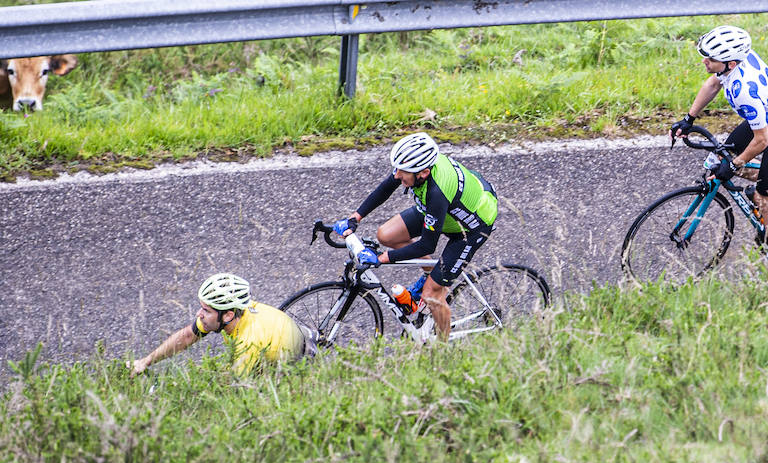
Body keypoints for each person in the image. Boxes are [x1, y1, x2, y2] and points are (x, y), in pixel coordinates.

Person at [333, 131, 498, 342]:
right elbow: (386, 187)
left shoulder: (436, 192)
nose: (398, 175)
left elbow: (426, 246)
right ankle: (436, 279)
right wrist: (355, 217)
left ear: (423, 173)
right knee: (386, 234)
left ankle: (441, 352)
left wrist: (380, 258)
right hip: (445, 212)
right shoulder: (416, 169)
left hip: (470, 228)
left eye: (404, 172)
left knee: (432, 295)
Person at [670, 25, 768, 269]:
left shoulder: (742, 91)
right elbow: (713, 84)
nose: (705, 61)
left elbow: (762, 141)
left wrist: (735, 164)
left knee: (765, 199)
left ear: (730, 64)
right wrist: (689, 119)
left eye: (711, 59)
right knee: (717, 161)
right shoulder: (736, 63)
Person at [131, 273, 309, 376]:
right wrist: (146, 361)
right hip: (280, 339)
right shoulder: (235, 315)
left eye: (206, 311)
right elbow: (187, 336)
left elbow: (235, 390)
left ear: (228, 315)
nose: (198, 314)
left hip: (296, 362)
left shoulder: (247, 343)